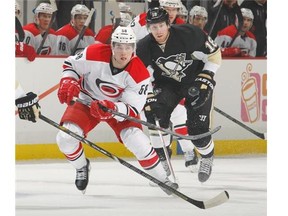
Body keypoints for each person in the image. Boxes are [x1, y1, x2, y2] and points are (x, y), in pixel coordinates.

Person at [55, 26, 179, 194]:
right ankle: (82, 166)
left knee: (138, 141)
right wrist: (68, 80)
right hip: (87, 100)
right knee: (65, 138)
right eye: (119, 46)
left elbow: (132, 108)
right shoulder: (94, 53)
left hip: (117, 109)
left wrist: (113, 108)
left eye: (128, 47)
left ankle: (162, 179)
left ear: (134, 49)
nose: (123, 51)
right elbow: (71, 64)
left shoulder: (140, 74)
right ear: (111, 46)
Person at [136, 7, 222, 183]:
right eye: (153, 27)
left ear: (168, 24)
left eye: (161, 25)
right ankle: (163, 159)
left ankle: (207, 156)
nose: (158, 30)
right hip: (167, 84)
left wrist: (207, 76)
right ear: (148, 28)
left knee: (197, 128)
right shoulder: (144, 46)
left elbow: (214, 55)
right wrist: (149, 95)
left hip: (195, 81)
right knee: (156, 116)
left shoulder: (190, 34)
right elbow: (141, 75)